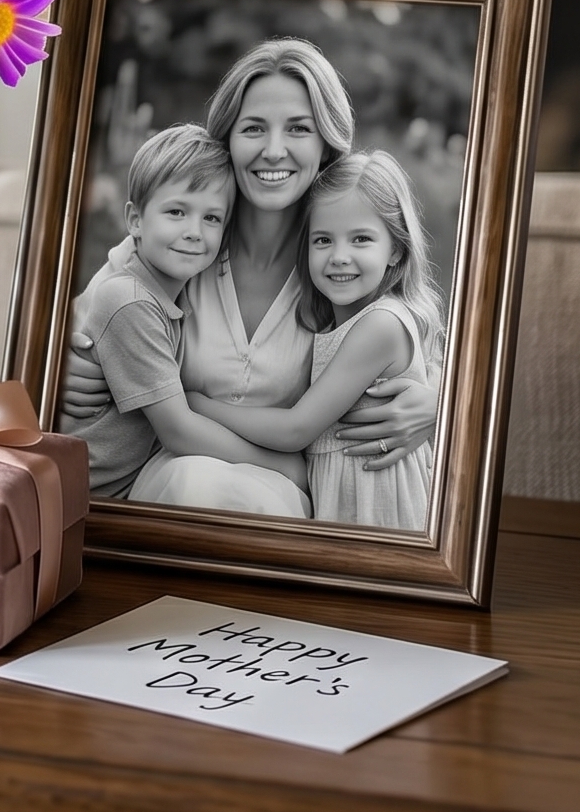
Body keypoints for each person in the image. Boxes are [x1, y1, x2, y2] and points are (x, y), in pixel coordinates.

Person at [62, 36, 438, 516]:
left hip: (286, 497)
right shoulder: (183, 244)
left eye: (299, 129)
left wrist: (438, 406)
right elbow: (80, 324)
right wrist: (57, 364)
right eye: (254, 128)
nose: (274, 150)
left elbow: (414, 334)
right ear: (228, 140)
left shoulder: (339, 263)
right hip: (169, 484)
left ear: (327, 145)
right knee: (193, 482)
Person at [187, 151, 443, 529]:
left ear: (396, 250)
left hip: (381, 514)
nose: (339, 257)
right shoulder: (336, 320)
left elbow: (296, 429)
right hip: (344, 502)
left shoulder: (381, 326)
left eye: (360, 239)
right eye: (323, 240)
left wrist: (197, 405)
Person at [59, 125, 303, 501]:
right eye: (176, 212)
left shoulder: (171, 293)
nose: (194, 232)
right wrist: (283, 467)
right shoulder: (131, 301)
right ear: (135, 221)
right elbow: (178, 430)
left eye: (212, 218)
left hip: (120, 487)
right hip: (86, 500)